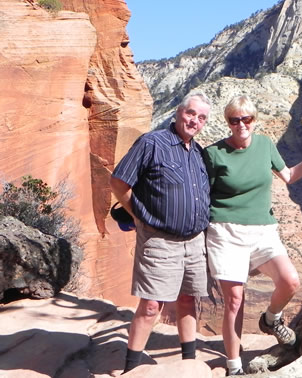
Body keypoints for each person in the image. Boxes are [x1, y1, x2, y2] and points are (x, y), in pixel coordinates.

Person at [203, 95, 302, 376]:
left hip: (263, 230)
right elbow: (203, 195)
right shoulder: (213, 154)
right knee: (235, 300)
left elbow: (289, 175)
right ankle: (234, 367)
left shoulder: (264, 145)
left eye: (246, 119)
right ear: (228, 122)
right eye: (234, 120)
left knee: (290, 280)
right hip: (225, 232)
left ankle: (271, 319)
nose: (241, 125)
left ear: (254, 120)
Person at [110, 91, 212, 374]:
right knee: (152, 305)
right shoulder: (152, 143)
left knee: (188, 299)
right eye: (191, 113)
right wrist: (138, 215)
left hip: (194, 241)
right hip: (159, 239)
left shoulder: (199, 153)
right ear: (179, 112)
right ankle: (131, 367)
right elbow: (119, 182)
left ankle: (188, 363)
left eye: (201, 117)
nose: (194, 120)